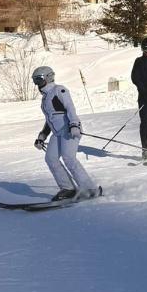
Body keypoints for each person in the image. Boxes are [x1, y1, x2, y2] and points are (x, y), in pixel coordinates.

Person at [31, 66, 98, 201]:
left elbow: (70, 108)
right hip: (57, 133)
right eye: (35, 80)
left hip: (69, 130)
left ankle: (90, 188)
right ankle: (68, 189)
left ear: (49, 77)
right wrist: (42, 136)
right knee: (50, 159)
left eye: (39, 79)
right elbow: (50, 119)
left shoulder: (59, 90)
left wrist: (74, 124)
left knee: (69, 158)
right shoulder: (45, 98)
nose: (37, 83)